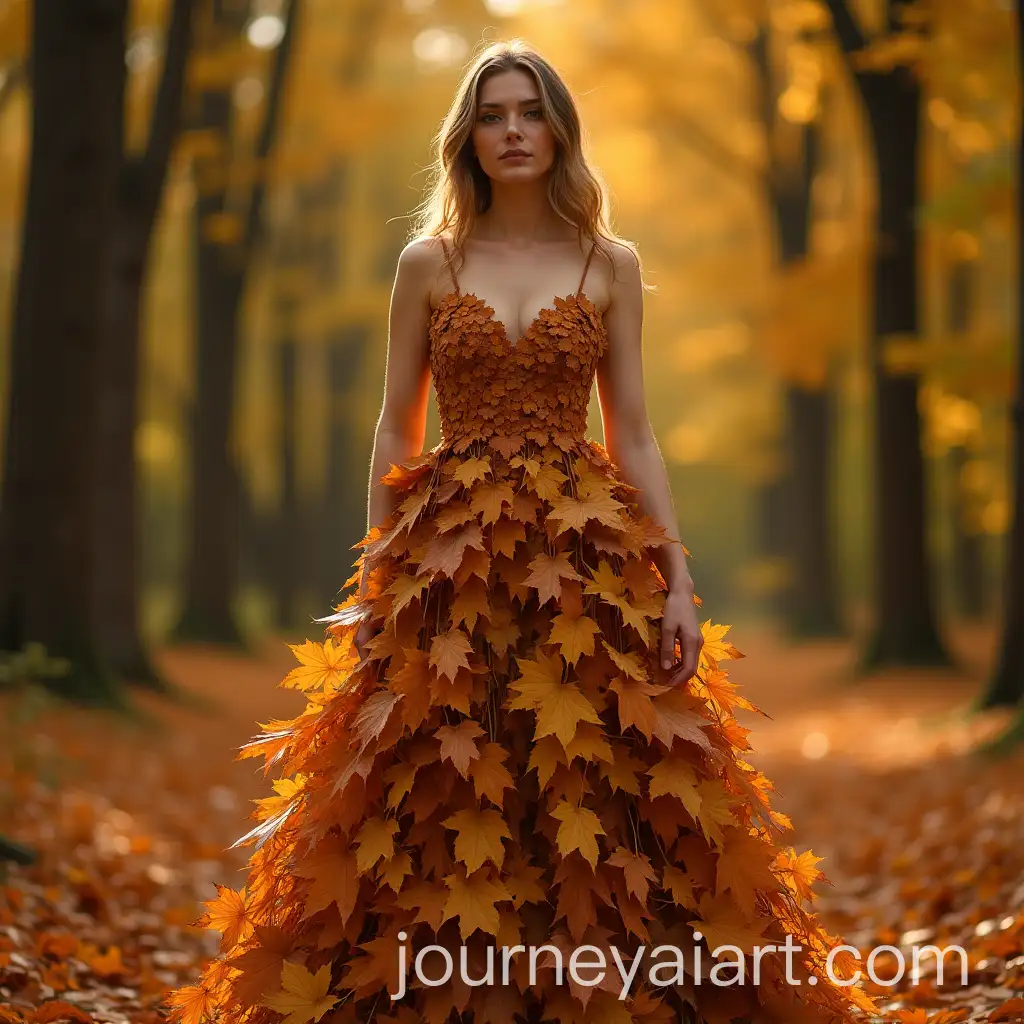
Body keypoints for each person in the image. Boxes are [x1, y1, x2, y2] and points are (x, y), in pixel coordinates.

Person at [167, 40, 873, 1024]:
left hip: (586, 550)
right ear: (469, 136)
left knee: (597, 765)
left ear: (558, 131)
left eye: (530, 112)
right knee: (439, 764)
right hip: (442, 549)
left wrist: (671, 573)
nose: (511, 131)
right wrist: (378, 567)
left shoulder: (608, 263)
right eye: (493, 114)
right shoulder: (427, 262)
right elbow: (391, 424)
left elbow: (632, 428)